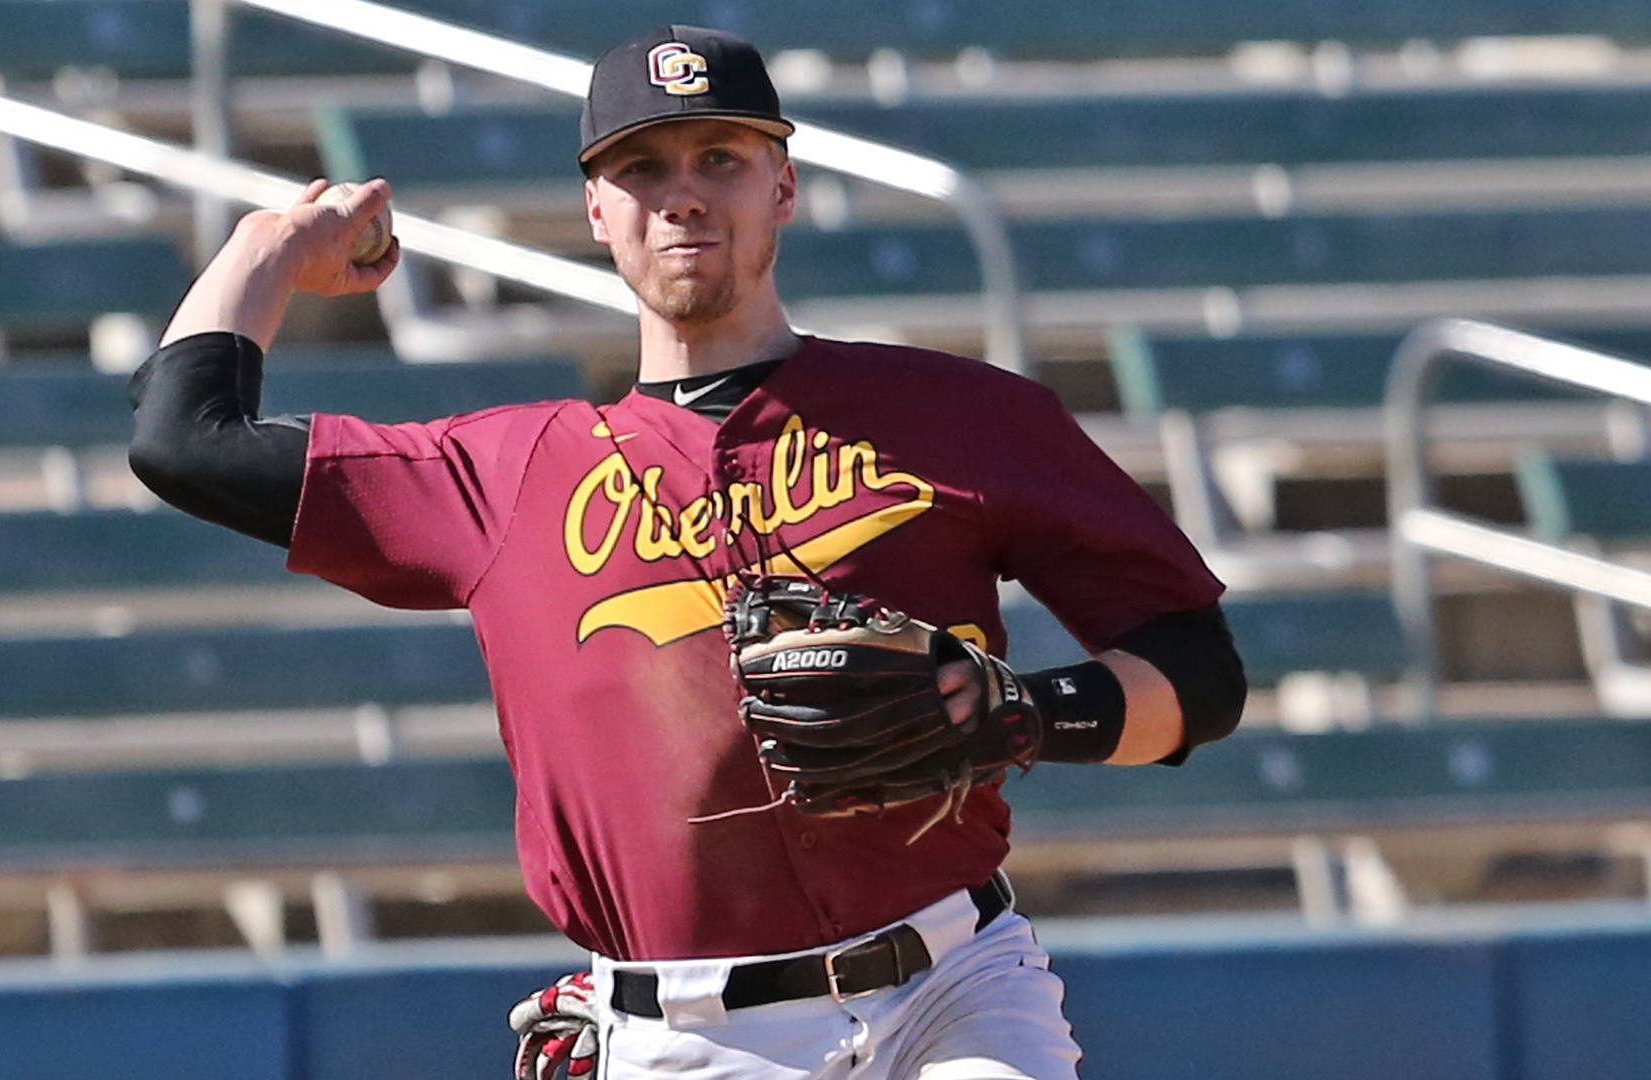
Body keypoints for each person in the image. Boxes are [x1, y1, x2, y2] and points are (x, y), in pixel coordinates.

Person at [129, 25, 1246, 1080]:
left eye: (720, 156)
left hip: (952, 984)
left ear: (783, 187)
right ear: (598, 212)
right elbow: (185, 443)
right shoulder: (506, 473)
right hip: (681, 1033)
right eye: (643, 168)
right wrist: (267, 250)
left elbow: (1199, 672)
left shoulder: (957, 416)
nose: (683, 195)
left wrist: (1020, 713)